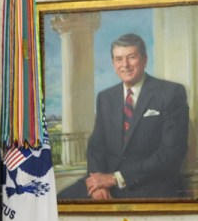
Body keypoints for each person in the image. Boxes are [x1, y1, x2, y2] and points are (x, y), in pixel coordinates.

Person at [60, 33, 189, 199]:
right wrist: (97, 182)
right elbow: (96, 146)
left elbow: (171, 153)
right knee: (59, 203)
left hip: (149, 183)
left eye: (131, 57)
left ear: (144, 60)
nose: (125, 65)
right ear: (114, 63)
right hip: (106, 181)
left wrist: (115, 178)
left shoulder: (170, 93)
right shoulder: (106, 97)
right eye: (119, 59)